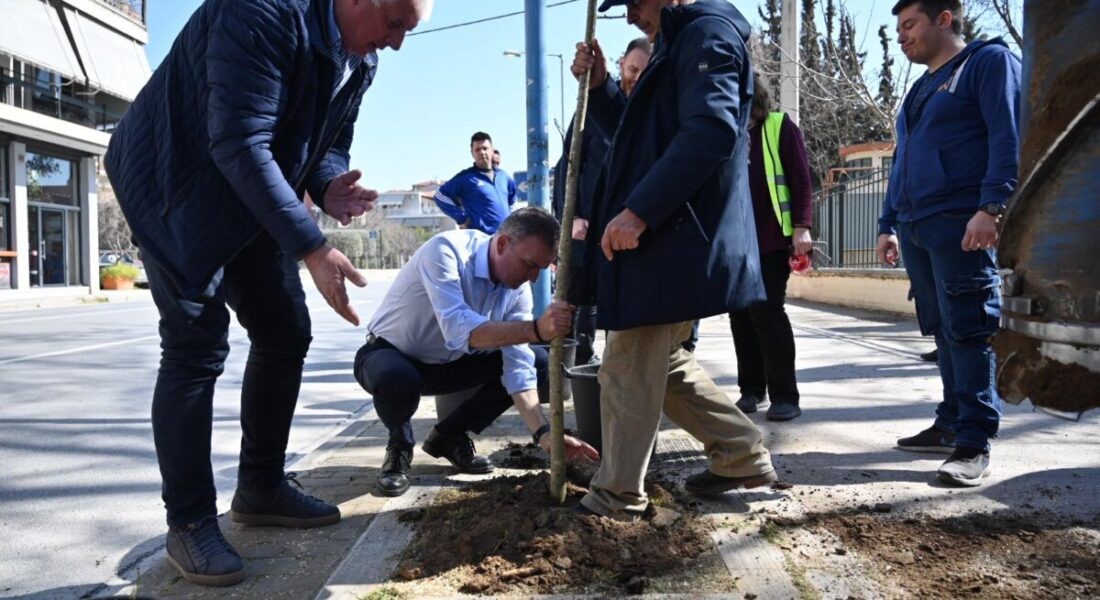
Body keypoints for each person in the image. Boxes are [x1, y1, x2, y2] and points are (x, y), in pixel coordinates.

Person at [103, 0, 434, 587]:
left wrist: (328, 183)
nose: (397, 43)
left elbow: (326, 138)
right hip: (173, 183)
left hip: (249, 190)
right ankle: (190, 523)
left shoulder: (360, 58)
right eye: (393, 25)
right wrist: (311, 244)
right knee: (195, 347)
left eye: (408, 31)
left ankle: (260, 485)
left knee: (285, 331)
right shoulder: (258, 10)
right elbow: (238, 139)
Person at [570, 0, 776, 520]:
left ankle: (616, 495)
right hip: (673, 233)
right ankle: (740, 453)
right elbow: (644, 139)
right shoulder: (679, 40)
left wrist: (640, 211)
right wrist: (601, 90)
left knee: (626, 364)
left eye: (635, 1)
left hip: (678, 234)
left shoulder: (706, 36)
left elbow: (710, 130)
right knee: (661, 363)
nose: (630, 15)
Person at [354, 208, 599, 497]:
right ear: (502, 244)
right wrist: (536, 330)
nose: (532, 277)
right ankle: (399, 448)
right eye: (529, 264)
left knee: (538, 362)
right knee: (396, 378)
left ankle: (448, 436)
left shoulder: (517, 289)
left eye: (540, 270)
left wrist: (544, 434)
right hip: (389, 354)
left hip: (450, 363)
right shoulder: (446, 252)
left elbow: (518, 366)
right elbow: (459, 330)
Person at [876, 0, 1019, 486]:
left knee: (969, 327)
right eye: (898, 29)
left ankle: (974, 441)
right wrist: (887, 221)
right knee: (941, 330)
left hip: (963, 218)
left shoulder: (987, 63)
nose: (901, 36)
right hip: (917, 224)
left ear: (945, 18)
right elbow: (902, 161)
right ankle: (950, 421)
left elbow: (1007, 135)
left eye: (910, 24)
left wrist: (992, 207)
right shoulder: (919, 89)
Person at [551, 37, 652, 365]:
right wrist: (573, 217)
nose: (636, 77)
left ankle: (616, 367)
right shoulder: (591, 109)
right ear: (622, 64)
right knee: (579, 295)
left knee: (619, 310)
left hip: (629, 233)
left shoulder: (652, 114)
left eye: (644, 72)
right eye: (632, 68)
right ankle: (575, 360)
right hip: (587, 229)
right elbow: (569, 164)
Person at [729, 73, 814, 422]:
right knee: (740, 315)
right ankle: (751, 390)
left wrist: (801, 227)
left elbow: (800, 179)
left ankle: (785, 395)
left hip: (770, 238)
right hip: (735, 241)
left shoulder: (779, 126)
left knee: (766, 312)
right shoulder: (725, 133)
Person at [434, 132, 517, 233]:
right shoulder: (465, 177)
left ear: (492, 150)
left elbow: (513, 201)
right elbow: (439, 195)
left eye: (485, 148)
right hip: (482, 240)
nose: (482, 152)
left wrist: (512, 223)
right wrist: (462, 217)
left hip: (506, 238)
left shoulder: (504, 176)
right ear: (472, 153)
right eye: (477, 149)